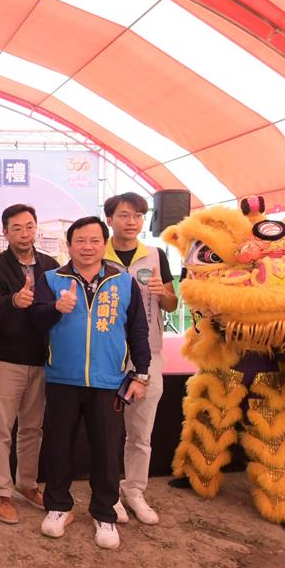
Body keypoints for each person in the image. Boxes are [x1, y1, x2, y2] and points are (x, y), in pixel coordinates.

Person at [30, 216, 150, 550]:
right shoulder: (51, 279)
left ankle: (104, 513)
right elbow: (36, 320)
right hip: (62, 378)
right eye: (80, 241)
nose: (87, 247)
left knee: (107, 450)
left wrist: (141, 374)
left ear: (104, 244)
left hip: (109, 381)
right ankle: (58, 506)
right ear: (69, 245)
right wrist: (56, 308)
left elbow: (138, 330)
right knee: (58, 446)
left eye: (94, 240)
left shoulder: (123, 282)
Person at [0, 204, 59, 524]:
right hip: (5, 360)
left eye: (29, 227)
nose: (24, 234)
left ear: (36, 228)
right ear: (5, 232)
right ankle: (1, 491)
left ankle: (27, 484)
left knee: (32, 429)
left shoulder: (51, 266)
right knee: (1, 430)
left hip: (41, 360)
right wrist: (13, 300)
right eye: (17, 228)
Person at [103, 193, 178, 525]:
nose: (131, 221)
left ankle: (134, 490)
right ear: (109, 220)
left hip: (148, 356)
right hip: (107, 355)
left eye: (137, 216)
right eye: (124, 215)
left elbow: (172, 304)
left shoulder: (156, 255)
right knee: (108, 431)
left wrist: (164, 294)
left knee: (141, 432)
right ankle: (108, 494)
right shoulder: (97, 254)